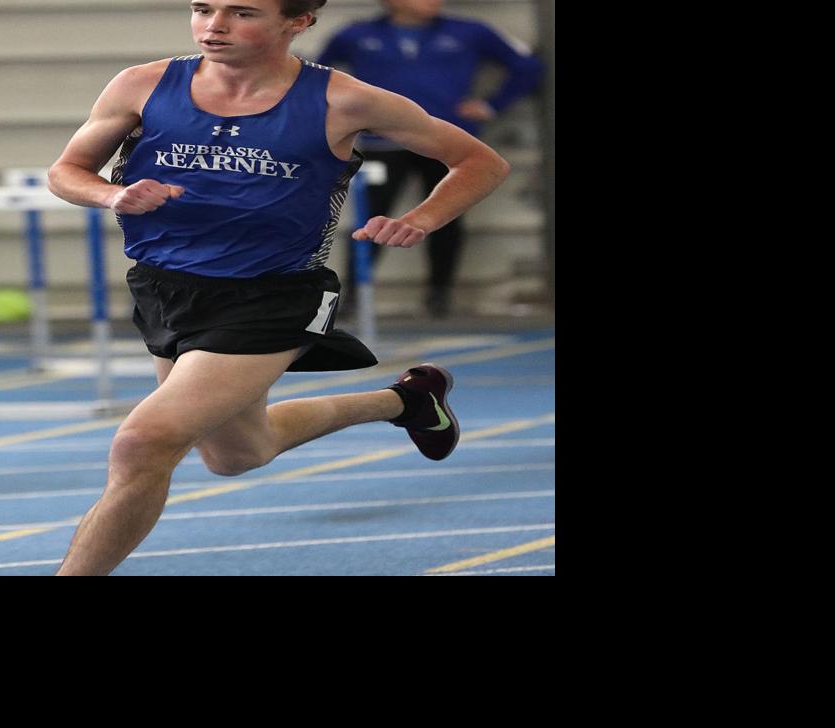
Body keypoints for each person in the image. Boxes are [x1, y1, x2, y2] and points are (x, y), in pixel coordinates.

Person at [45, 0, 509, 575]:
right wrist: (111, 194)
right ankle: (405, 400)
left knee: (143, 441)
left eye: (241, 13)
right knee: (237, 453)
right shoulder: (142, 84)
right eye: (203, 8)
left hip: (274, 292)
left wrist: (422, 218)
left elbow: (478, 161)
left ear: (298, 21)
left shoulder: (343, 99)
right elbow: (66, 172)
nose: (214, 25)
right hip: (165, 287)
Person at [318, 0, 541, 317]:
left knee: (446, 217)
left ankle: (439, 294)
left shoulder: (470, 32)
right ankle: (353, 296)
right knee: (372, 217)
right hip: (381, 144)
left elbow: (528, 66)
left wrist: (492, 104)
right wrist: (338, 120)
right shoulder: (356, 34)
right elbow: (314, 76)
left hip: (445, 142)